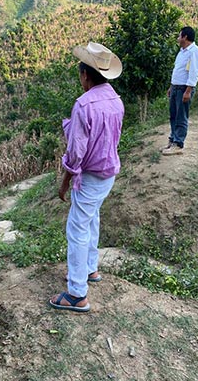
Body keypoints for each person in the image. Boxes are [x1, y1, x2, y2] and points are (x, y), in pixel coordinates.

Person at [49, 42, 125, 313]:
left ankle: (77, 293)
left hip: (91, 176)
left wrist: (65, 181)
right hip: (108, 175)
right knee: (91, 219)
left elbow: (76, 152)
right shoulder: (115, 99)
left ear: (85, 74)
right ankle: (90, 269)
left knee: (77, 229)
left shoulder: (83, 105)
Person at [161, 26, 198, 156]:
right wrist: (171, 86)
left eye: (179, 36)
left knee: (181, 116)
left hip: (184, 88)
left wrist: (188, 90)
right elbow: (178, 70)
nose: (178, 38)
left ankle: (178, 144)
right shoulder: (182, 51)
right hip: (176, 87)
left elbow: (194, 72)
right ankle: (173, 139)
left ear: (185, 37)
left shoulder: (195, 52)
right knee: (173, 115)